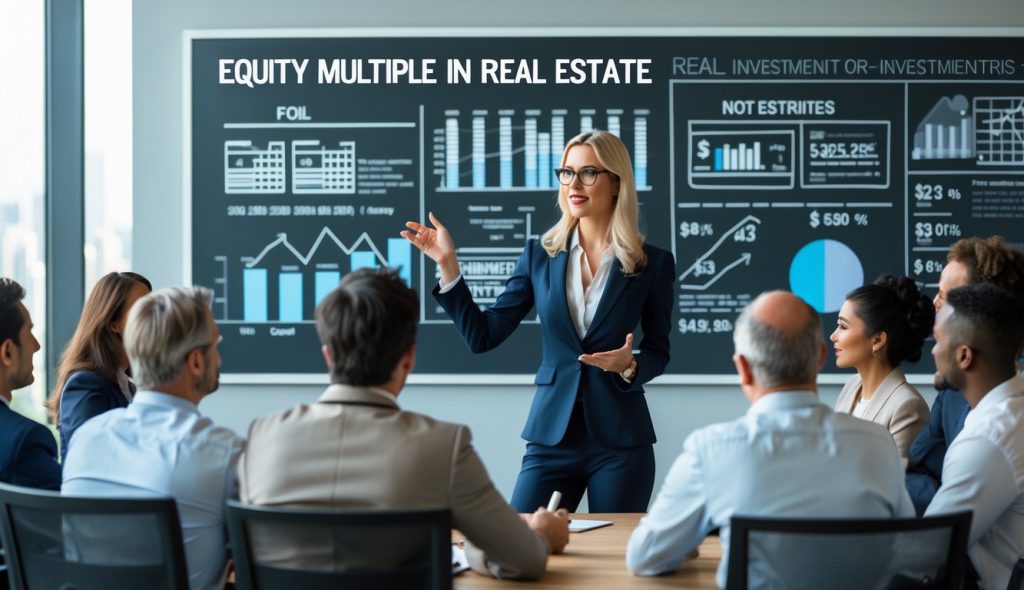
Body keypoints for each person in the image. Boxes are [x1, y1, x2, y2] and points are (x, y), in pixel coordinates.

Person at [402, 130, 675, 513]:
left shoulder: (653, 264)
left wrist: (629, 366)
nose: (574, 184)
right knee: (524, 544)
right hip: (551, 438)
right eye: (567, 172)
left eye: (588, 173)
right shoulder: (539, 255)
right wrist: (448, 266)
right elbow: (483, 336)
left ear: (616, 183)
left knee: (613, 556)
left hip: (620, 443)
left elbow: (660, 351)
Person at [238, 268, 567, 579]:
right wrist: (529, 536)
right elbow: (525, 560)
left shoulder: (261, 438)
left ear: (328, 356)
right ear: (407, 359)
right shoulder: (444, 447)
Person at [626, 291, 913, 587]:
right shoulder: (879, 444)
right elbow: (908, 547)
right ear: (820, 358)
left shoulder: (710, 451)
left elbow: (645, 557)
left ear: (743, 368)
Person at [62, 286, 242, 590]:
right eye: (216, 345)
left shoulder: (86, 439)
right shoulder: (222, 452)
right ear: (196, 361)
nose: (220, 360)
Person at [907, 236, 1024, 514]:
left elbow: (936, 544)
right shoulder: (953, 392)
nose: (935, 303)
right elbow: (918, 466)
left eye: (947, 297)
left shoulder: (992, 436)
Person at [925, 283, 1024, 590]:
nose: (932, 350)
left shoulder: (988, 439)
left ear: (964, 356)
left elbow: (927, 550)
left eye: (938, 340)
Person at [48, 271, 151, 462]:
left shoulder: (130, 388)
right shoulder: (84, 384)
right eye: (143, 310)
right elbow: (91, 460)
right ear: (113, 324)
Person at [832, 274, 934, 460]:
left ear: (877, 340)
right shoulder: (851, 388)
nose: (833, 336)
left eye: (843, 326)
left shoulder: (908, 408)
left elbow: (891, 482)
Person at [0, 278, 60, 490]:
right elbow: (71, 514)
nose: (36, 345)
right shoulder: (25, 441)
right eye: (30, 332)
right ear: (7, 351)